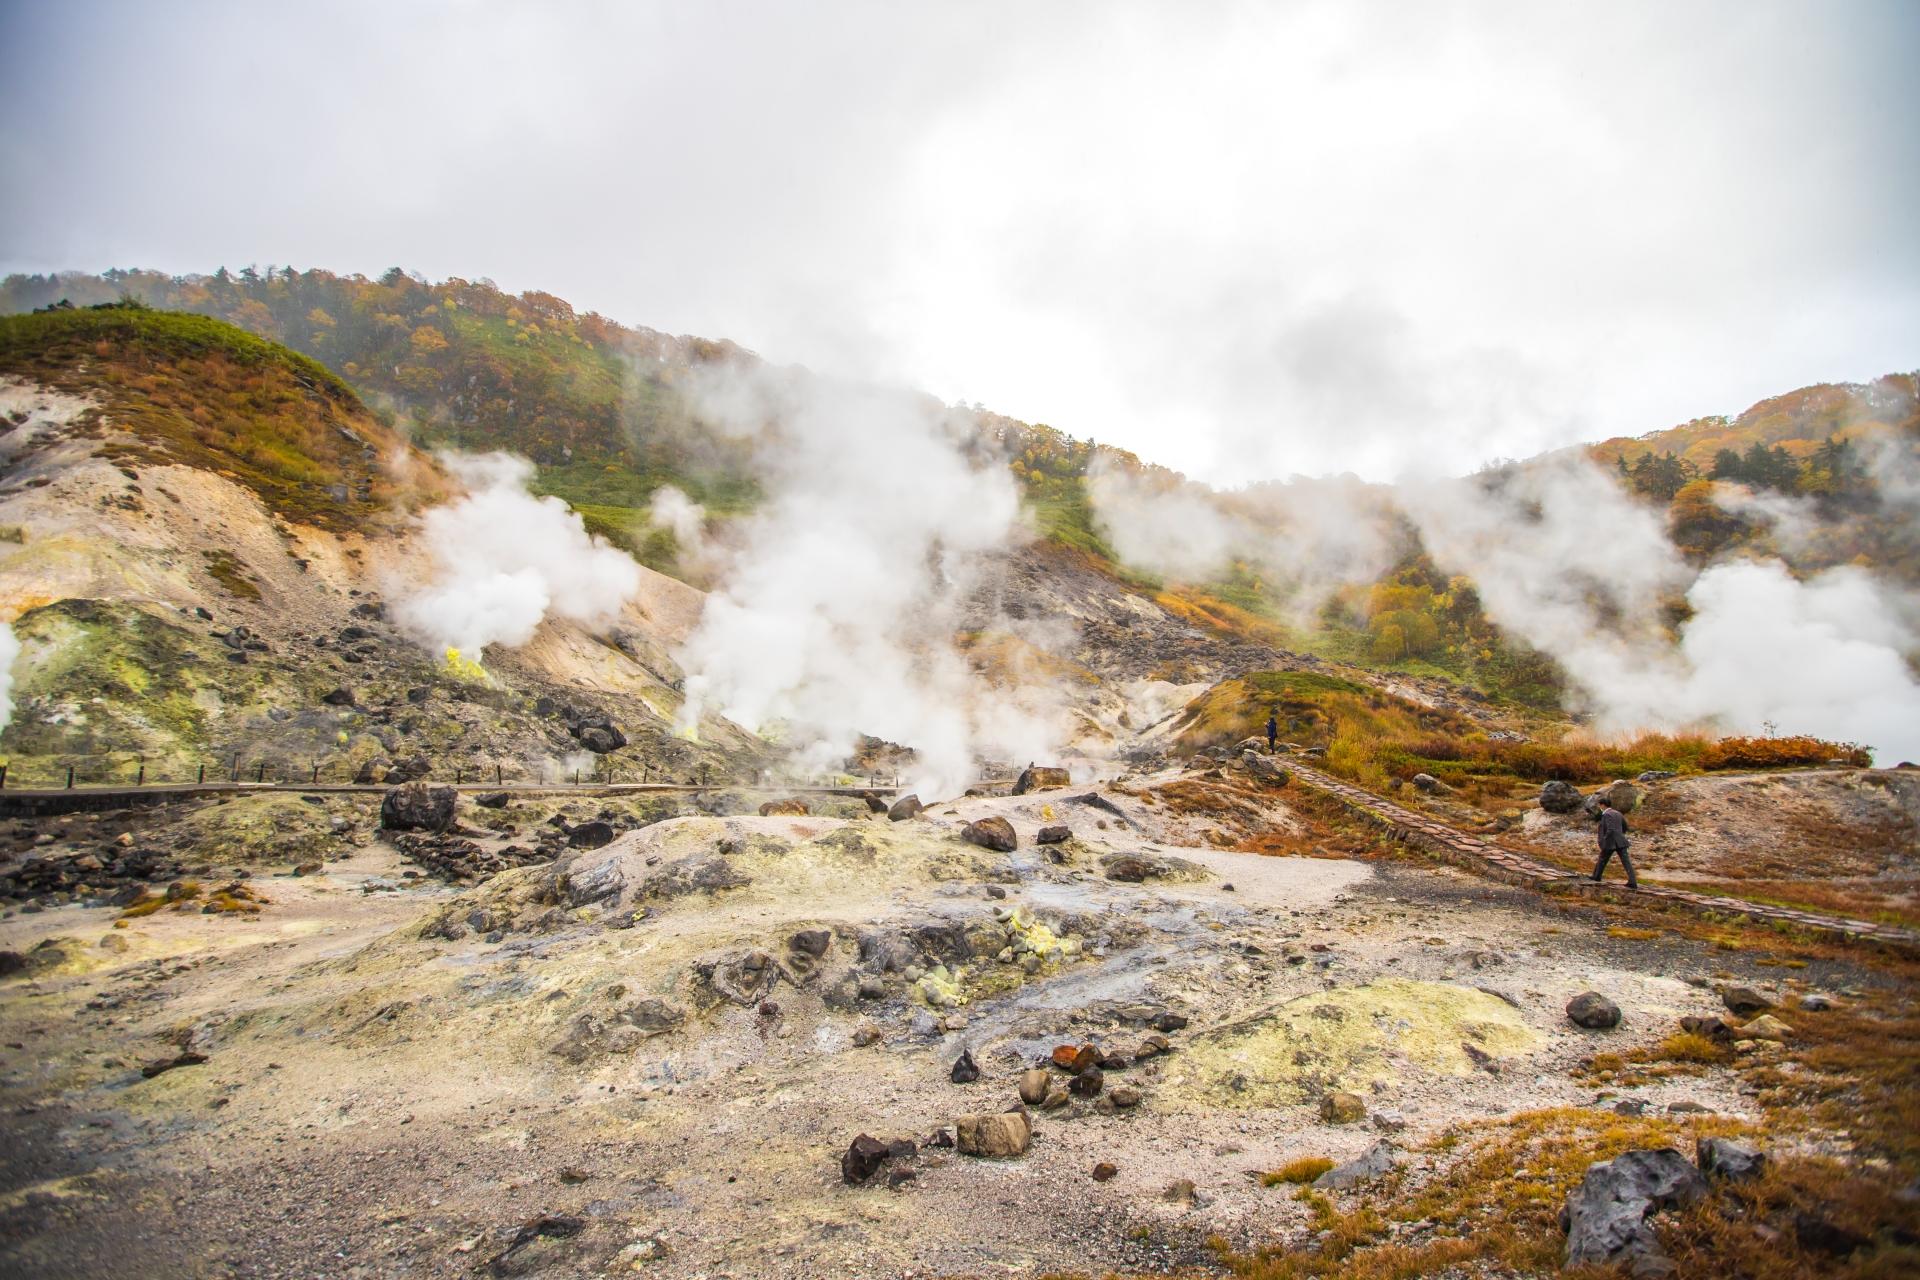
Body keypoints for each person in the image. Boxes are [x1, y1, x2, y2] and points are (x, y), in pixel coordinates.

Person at [1590, 795, 1638, 889]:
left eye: (1600, 805)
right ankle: (1633, 881)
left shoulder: (1606, 814)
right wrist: (1620, 835)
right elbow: (1625, 827)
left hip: (1610, 842)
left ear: (1603, 805)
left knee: (1602, 859)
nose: (1599, 807)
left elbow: (1610, 829)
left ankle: (1596, 876)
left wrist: (1604, 839)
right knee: (1626, 862)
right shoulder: (1618, 813)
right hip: (1621, 841)